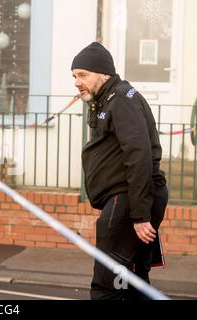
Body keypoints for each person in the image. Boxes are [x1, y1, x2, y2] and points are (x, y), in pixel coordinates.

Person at [71, 42, 168, 300]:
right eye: (74, 76)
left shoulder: (121, 100)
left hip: (126, 201)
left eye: (83, 75)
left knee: (108, 286)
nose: (77, 82)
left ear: (103, 74)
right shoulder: (108, 99)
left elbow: (139, 156)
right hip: (128, 201)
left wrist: (139, 215)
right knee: (134, 280)